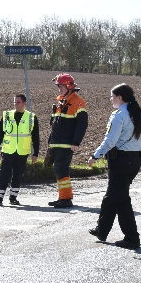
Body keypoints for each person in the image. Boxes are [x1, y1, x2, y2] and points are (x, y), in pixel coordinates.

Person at [87, 83, 141, 249]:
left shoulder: (120, 116)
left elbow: (110, 141)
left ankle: (132, 239)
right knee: (112, 195)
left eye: (112, 96)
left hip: (120, 162)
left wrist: (95, 155)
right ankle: (102, 230)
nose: (111, 99)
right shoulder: (139, 112)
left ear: (120, 97)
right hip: (134, 161)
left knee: (121, 200)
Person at [46, 73, 88, 208]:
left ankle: (66, 199)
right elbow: (55, 125)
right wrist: (50, 142)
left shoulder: (77, 101)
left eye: (61, 86)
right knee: (58, 170)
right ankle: (62, 197)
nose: (59, 89)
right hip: (57, 142)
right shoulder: (60, 101)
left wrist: (76, 142)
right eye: (58, 86)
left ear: (69, 86)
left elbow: (82, 125)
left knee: (61, 169)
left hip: (67, 143)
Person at [0, 93, 40, 206]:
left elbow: (36, 137)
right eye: (14, 102)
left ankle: (13, 197)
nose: (16, 104)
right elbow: (0, 133)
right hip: (8, 150)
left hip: (22, 151)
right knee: (3, 174)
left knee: (17, 175)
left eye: (18, 102)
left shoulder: (31, 117)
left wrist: (35, 153)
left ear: (24, 103)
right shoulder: (7, 115)